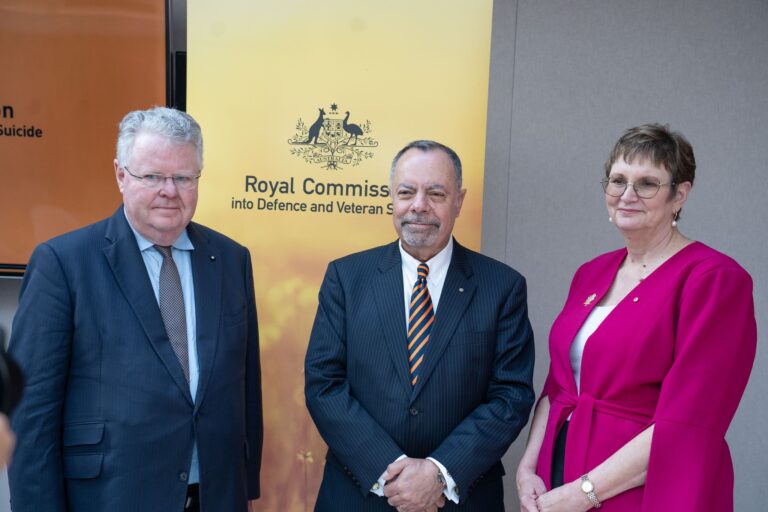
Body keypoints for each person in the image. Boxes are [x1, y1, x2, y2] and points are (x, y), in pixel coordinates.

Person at [8, 107, 263, 512]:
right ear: (121, 175)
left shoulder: (231, 259)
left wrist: (244, 488)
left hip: (214, 495)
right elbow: (31, 413)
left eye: (183, 177)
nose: (170, 190)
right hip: (111, 496)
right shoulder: (63, 263)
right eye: (153, 177)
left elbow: (245, 385)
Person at [515, 124, 757, 511]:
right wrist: (528, 469)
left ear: (680, 195)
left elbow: (690, 421)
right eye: (618, 181)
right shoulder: (591, 272)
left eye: (647, 183)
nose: (627, 195)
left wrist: (584, 493)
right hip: (559, 479)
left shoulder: (714, 280)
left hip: (645, 490)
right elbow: (559, 386)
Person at [305, 140, 535, 512]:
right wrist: (393, 471)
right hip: (360, 494)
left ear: (458, 200)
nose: (419, 206)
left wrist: (438, 474)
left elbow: (511, 395)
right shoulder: (346, 278)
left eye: (436, 193)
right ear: (391, 198)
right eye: (407, 192)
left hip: (461, 497)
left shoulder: (502, 287)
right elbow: (324, 384)